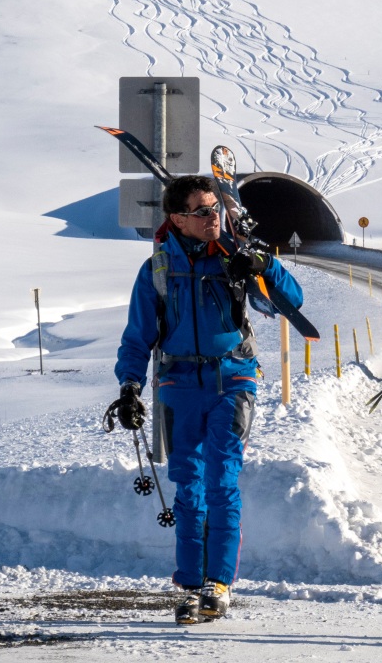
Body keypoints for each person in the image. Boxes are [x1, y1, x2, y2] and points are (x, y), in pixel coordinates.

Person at [114, 174, 305, 626]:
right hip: (180, 385)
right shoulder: (158, 270)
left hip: (232, 380)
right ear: (177, 219)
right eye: (201, 212)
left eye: (214, 208)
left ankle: (218, 584)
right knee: (189, 489)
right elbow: (138, 337)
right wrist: (128, 388)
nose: (212, 217)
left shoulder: (235, 258)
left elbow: (291, 302)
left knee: (222, 480)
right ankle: (189, 585)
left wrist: (262, 266)